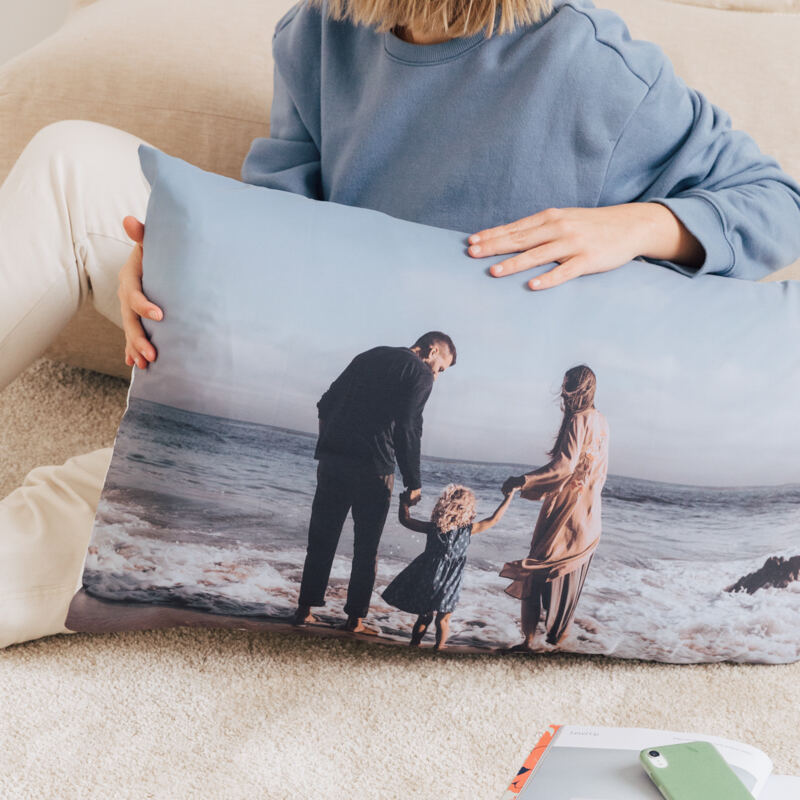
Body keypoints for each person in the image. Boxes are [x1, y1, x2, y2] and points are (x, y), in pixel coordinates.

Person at [1, 0, 799, 647]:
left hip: (376, 421)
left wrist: (638, 225)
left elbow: (778, 206)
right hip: (292, 344)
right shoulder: (316, 33)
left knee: (68, 522)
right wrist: (162, 267)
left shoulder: (591, 65)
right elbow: (274, 231)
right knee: (70, 160)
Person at [293, 332, 456, 634]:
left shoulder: (370, 355)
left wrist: (325, 450)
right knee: (366, 547)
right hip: (375, 467)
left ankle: (304, 610)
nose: (437, 375)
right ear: (432, 351)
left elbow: (325, 404)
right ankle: (354, 620)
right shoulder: (420, 373)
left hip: (334, 461)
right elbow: (408, 427)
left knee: (321, 540)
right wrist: (414, 481)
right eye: (441, 368)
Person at [499, 365, 609, 651]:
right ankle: (557, 643)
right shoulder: (602, 422)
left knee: (535, 573)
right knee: (566, 584)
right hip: (589, 515)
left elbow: (564, 467)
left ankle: (529, 643)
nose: (562, 393)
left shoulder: (578, 420)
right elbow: (598, 473)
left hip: (564, 514)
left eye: (566, 386)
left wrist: (522, 481)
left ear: (575, 389)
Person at [382, 483, 518, 650]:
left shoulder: (433, 528)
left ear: (444, 504)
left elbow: (405, 520)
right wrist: (508, 497)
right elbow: (494, 519)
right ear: (467, 508)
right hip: (450, 581)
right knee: (443, 619)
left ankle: (414, 644)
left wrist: (404, 503)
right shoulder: (467, 530)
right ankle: (439, 648)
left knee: (424, 616)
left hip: (428, 577)